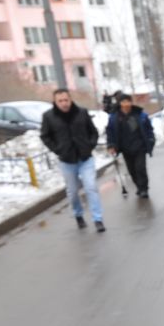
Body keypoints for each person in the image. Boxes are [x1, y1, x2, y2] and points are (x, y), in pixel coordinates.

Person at [39, 87, 103, 232]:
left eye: (66, 100)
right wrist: (58, 149)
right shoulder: (49, 117)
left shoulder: (81, 113)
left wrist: (90, 145)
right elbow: (45, 136)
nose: (64, 103)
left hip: (85, 158)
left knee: (91, 187)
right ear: (55, 102)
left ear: (70, 99)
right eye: (60, 101)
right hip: (67, 160)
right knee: (73, 191)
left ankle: (98, 219)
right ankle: (78, 214)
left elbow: (93, 131)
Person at [106, 92, 154, 200]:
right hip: (125, 148)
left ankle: (144, 189)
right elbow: (110, 131)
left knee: (140, 168)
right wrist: (111, 144)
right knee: (132, 170)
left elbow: (148, 129)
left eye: (128, 101)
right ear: (120, 104)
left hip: (139, 147)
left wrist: (150, 140)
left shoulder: (139, 114)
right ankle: (139, 186)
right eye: (123, 102)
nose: (126, 104)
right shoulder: (114, 117)